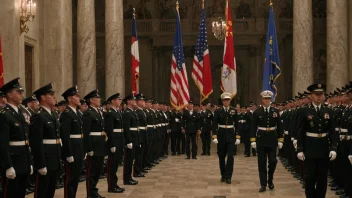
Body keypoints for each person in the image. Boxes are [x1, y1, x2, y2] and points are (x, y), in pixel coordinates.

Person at [296, 84, 338, 198]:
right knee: (309, 177)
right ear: (311, 96)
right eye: (317, 94)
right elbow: (300, 131)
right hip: (309, 148)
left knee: (322, 178)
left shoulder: (328, 111)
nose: (320, 96)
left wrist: (334, 148)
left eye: (321, 94)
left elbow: (332, 131)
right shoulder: (304, 111)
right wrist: (299, 149)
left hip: (324, 147)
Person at [0, 78, 33, 198]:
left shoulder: (19, 112)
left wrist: (29, 162)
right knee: (10, 194)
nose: (22, 95)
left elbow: (25, 139)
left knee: (20, 194)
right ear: (9, 94)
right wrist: (8, 166)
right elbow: (3, 143)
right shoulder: (5, 114)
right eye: (18, 92)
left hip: (23, 161)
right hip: (13, 162)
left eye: (22, 92)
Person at [30, 83, 62, 198]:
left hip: (54, 158)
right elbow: (36, 142)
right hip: (46, 159)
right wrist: (41, 164)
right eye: (51, 94)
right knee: (42, 190)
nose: (54, 96)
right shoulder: (38, 115)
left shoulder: (53, 113)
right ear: (43, 97)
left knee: (51, 189)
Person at [250, 90, 283, 192]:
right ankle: (263, 184)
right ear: (262, 99)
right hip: (261, 139)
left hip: (272, 139)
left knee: (273, 161)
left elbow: (280, 127)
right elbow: (253, 127)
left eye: (268, 99)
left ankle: (270, 180)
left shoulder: (275, 111)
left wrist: (280, 139)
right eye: (265, 99)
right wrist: (253, 140)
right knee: (262, 162)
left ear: (271, 100)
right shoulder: (257, 112)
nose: (266, 100)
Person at [60, 86, 85, 198]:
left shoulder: (78, 113)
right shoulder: (66, 113)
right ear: (69, 99)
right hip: (72, 149)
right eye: (76, 96)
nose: (79, 98)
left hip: (79, 148)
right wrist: (68, 153)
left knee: (76, 177)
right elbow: (65, 136)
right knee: (70, 178)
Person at [212, 92, 241, 184]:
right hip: (221, 135)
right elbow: (214, 124)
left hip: (231, 135)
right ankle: (223, 175)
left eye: (228, 100)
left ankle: (229, 176)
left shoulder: (234, 110)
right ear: (222, 101)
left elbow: (237, 124)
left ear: (230, 101)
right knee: (221, 156)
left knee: (230, 156)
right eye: (225, 100)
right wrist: (214, 136)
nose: (226, 102)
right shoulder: (218, 111)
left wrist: (237, 136)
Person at [82, 89, 106, 198]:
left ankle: (94, 190)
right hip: (93, 145)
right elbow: (86, 133)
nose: (99, 100)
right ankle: (90, 193)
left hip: (100, 144)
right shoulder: (88, 113)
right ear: (91, 100)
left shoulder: (97, 112)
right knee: (91, 171)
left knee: (97, 170)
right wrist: (89, 148)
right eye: (97, 98)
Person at [104, 93, 125, 193]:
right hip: (114, 142)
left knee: (116, 165)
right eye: (118, 99)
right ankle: (111, 186)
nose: (120, 101)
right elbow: (109, 130)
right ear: (112, 101)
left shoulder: (118, 112)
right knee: (111, 166)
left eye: (120, 99)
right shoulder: (110, 113)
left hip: (119, 141)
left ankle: (114, 184)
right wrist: (112, 144)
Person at [122, 94, 139, 185]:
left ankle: (129, 177)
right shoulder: (127, 113)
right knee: (128, 161)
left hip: (134, 139)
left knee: (131, 160)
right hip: (130, 140)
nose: (135, 101)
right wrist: (128, 141)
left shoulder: (132, 112)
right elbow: (126, 128)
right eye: (133, 100)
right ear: (128, 101)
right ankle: (126, 179)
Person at [133, 93, 147, 178]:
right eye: (141, 101)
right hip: (140, 134)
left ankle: (140, 168)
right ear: (137, 102)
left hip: (143, 133)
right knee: (138, 154)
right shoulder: (137, 112)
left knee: (142, 153)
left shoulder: (141, 111)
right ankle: (136, 171)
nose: (143, 102)